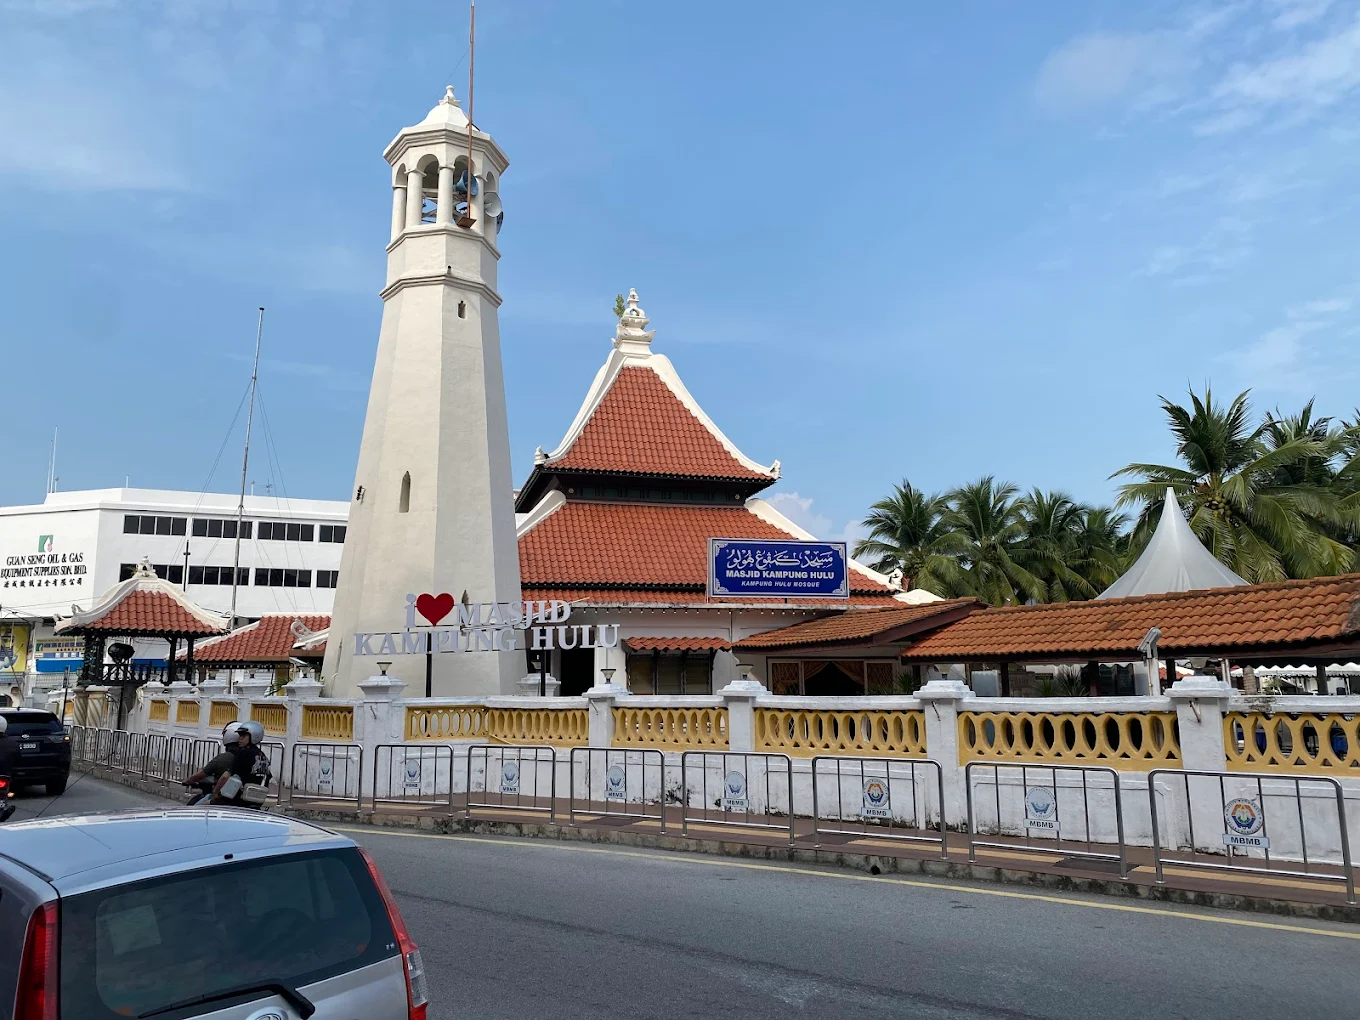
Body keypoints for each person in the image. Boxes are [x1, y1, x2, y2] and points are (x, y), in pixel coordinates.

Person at [211, 725, 270, 806]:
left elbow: (225, 776)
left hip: (237, 799)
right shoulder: (263, 757)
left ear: (253, 737)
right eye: (239, 735)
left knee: (203, 804)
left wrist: (215, 792)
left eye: (243, 735)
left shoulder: (243, 753)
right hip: (256, 801)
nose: (239, 738)